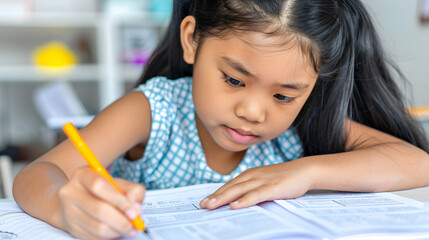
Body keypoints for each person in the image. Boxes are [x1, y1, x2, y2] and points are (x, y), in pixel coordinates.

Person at [13, 0, 429, 239]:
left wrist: (305, 171)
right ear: (192, 40)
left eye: (284, 94)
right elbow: (35, 175)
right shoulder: (153, 111)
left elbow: (418, 162)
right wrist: (62, 206)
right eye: (233, 79)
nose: (253, 111)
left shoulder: (300, 128)